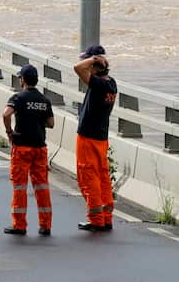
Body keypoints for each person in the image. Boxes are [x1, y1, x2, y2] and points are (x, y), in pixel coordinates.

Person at [2, 64, 55, 237]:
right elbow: (51, 124)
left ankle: (19, 225)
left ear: (23, 80)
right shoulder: (44, 100)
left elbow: (6, 114)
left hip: (22, 148)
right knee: (42, 187)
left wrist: (9, 132)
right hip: (40, 148)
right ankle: (45, 225)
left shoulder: (18, 98)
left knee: (20, 187)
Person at [74, 44, 117, 232]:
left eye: (91, 63)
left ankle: (96, 219)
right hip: (101, 137)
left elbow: (77, 68)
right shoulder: (111, 83)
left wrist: (95, 60)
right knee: (102, 176)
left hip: (88, 137)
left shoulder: (98, 84)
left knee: (88, 176)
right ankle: (106, 217)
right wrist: (98, 61)